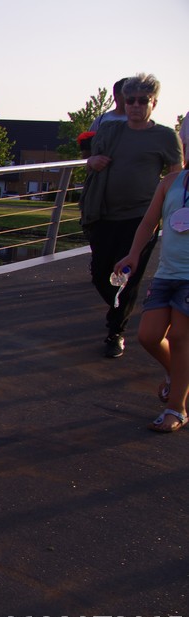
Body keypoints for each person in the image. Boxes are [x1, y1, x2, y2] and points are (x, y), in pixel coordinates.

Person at [82, 73, 183, 358]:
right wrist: (91, 161)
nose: (136, 106)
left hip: (141, 217)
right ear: (124, 102)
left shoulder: (165, 136)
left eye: (142, 101)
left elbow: (176, 175)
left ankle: (115, 332)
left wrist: (171, 211)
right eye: (131, 101)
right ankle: (119, 310)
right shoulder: (110, 131)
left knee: (127, 276)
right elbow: (90, 161)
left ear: (154, 103)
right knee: (100, 274)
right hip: (103, 214)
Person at [114, 167, 189, 432]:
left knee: (180, 338)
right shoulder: (171, 181)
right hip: (166, 273)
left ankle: (176, 409)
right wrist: (133, 254)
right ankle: (177, 375)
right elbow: (149, 222)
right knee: (149, 336)